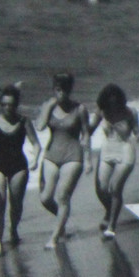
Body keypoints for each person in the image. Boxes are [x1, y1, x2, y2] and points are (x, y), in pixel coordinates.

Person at [0, 85, 41, 255]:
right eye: (5, 104)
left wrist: (35, 159)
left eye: (12, 105)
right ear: (1, 104)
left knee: (16, 204)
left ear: (17, 105)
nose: (8, 108)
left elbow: (36, 144)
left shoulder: (24, 121)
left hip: (18, 166)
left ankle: (13, 229)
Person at [37, 72, 90, 249]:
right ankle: (62, 221)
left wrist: (88, 159)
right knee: (45, 198)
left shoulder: (79, 109)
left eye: (65, 90)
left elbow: (86, 135)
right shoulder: (49, 106)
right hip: (51, 155)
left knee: (62, 197)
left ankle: (54, 238)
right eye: (58, 90)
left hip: (73, 156)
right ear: (54, 90)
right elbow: (40, 126)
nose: (61, 94)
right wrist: (48, 107)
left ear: (70, 90)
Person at [89, 84, 139, 237]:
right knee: (101, 188)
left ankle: (111, 226)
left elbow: (138, 133)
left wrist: (138, 136)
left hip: (125, 149)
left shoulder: (130, 112)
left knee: (115, 187)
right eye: (110, 103)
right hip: (107, 148)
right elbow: (90, 129)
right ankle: (110, 210)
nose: (113, 106)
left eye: (116, 103)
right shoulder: (101, 112)